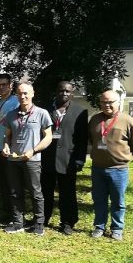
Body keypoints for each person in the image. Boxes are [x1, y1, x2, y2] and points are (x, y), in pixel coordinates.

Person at [88, 90, 133, 241]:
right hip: (98, 168)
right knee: (99, 199)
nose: (107, 105)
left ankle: (117, 228)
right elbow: (92, 140)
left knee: (118, 201)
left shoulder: (127, 120)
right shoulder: (95, 119)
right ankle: (99, 226)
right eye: (103, 102)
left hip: (118, 169)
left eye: (110, 102)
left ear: (118, 102)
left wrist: (122, 157)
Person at [2, 83, 52, 236]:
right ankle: (18, 223)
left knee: (36, 192)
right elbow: (7, 136)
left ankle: (38, 224)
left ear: (32, 94)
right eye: (19, 94)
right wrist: (5, 146)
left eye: (25, 93)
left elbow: (48, 137)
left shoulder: (41, 113)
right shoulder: (11, 114)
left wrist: (33, 151)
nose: (22, 96)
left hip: (32, 159)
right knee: (15, 192)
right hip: (14, 160)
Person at [41, 81, 88, 235]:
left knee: (67, 192)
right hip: (47, 157)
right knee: (44, 191)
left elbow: (82, 139)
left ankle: (67, 222)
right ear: (57, 91)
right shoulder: (46, 110)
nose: (64, 94)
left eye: (67, 91)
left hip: (68, 160)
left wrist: (80, 159)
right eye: (61, 91)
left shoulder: (80, 111)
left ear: (72, 92)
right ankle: (43, 218)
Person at [0, 73, 19, 223]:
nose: (1, 87)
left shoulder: (16, 101)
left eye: (4, 84)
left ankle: (15, 215)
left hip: (9, 148)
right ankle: (6, 212)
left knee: (12, 183)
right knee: (2, 183)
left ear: (11, 85)